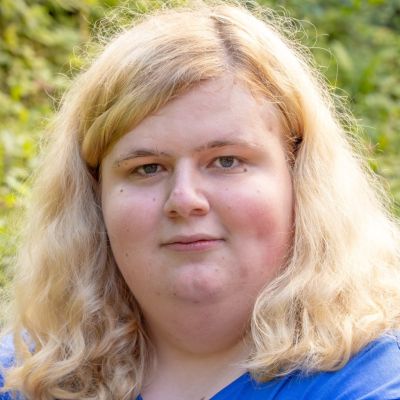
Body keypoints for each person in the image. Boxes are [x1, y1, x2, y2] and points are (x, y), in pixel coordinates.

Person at [1, 1, 400, 399]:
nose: (184, 199)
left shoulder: (373, 383)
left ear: (299, 176)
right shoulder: (24, 378)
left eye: (227, 161)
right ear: (94, 193)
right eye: (147, 167)